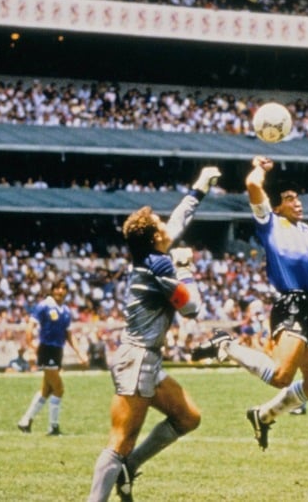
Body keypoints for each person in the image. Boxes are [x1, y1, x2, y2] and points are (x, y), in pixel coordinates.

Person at [192, 156, 308, 450]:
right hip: (290, 304)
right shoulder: (270, 222)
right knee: (280, 376)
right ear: (277, 206)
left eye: (297, 198)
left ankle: (263, 416)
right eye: (289, 199)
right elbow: (252, 184)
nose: (297, 203)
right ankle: (226, 346)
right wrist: (260, 169)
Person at [87, 166, 221, 502]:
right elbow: (193, 309)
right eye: (160, 226)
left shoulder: (153, 256)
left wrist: (200, 186)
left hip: (146, 357)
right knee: (119, 441)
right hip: (137, 359)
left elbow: (177, 220)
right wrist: (186, 269)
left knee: (187, 417)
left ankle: (129, 467)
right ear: (154, 239)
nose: (167, 226)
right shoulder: (159, 267)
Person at [16, 280, 87, 435]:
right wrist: (32, 348)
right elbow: (30, 327)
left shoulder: (66, 311)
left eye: (64, 288)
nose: (61, 291)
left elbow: (69, 335)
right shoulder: (44, 306)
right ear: (53, 290)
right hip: (47, 350)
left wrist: (80, 353)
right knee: (59, 389)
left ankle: (25, 421)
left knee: (46, 390)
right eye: (58, 288)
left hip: (58, 351)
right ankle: (53, 427)